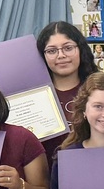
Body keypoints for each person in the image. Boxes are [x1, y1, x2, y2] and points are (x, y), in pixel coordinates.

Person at [35, 21, 100, 162]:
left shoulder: (99, 90)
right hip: (45, 177)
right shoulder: (34, 97)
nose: (61, 55)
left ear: (81, 49)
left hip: (95, 170)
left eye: (68, 48)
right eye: (52, 51)